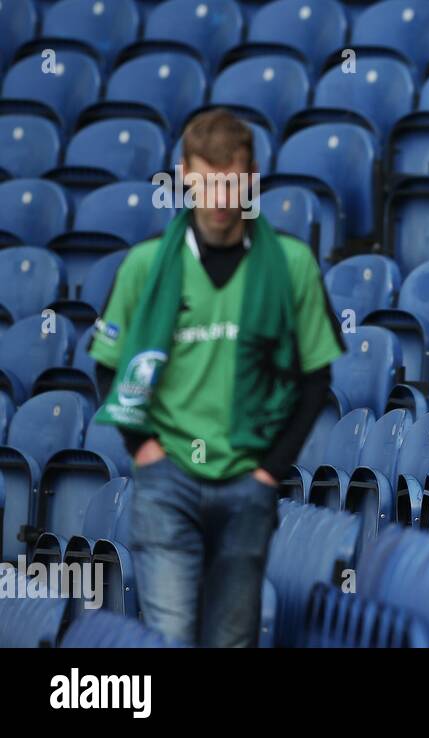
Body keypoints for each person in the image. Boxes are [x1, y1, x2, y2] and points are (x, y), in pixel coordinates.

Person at [89, 109, 344, 646]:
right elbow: (108, 364)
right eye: (209, 182)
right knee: (172, 636)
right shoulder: (143, 266)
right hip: (167, 481)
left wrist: (271, 470)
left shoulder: (292, 264)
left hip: (247, 480)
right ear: (185, 176)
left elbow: (315, 378)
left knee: (232, 639)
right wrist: (144, 448)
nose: (222, 199)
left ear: (251, 178)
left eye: (233, 182)